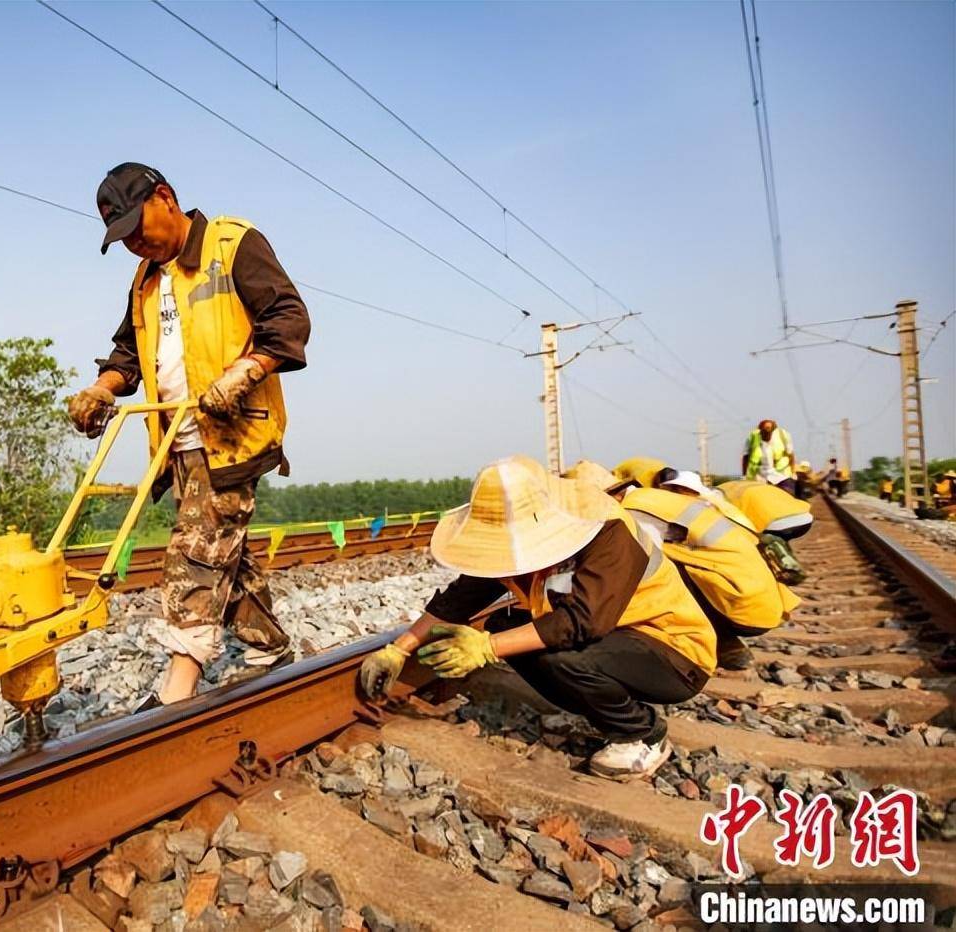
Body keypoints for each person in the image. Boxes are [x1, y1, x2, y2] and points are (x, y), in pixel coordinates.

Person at [69, 163, 311, 707]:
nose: (134, 243)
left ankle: (178, 688)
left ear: (165, 197)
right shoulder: (147, 279)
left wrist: (244, 373)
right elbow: (129, 353)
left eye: (137, 227)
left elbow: (288, 318)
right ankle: (269, 647)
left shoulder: (233, 245)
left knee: (195, 552)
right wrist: (102, 389)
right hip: (175, 441)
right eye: (123, 237)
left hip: (229, 434)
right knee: (226, 549)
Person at [359, 455, 715, 781]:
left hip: (675, 655)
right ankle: (600, 712)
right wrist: (399, 649)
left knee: (557, 655)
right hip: (618, 645)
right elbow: (462, 597)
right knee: (504, 627)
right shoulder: (525, 542)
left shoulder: (610, 532)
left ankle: (644, 735)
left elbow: (583, 622)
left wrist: (486, 647)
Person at [631, 467, 799, 671]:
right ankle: (724, 642)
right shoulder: (716, 508)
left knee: (666, 570)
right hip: (764, 603)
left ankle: (717, 641)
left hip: (745, 607)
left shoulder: (670, 511)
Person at [741, 419, 797, 496]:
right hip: (759, 475)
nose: (765, 435)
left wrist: (793, 472)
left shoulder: (782, 435)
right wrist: (744, 475)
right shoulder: (753, 436)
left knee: (788, 495)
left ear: (773, 431)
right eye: (763, 433)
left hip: (781, 474)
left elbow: (791, 455)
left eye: (767, 433)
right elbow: (745, 456)